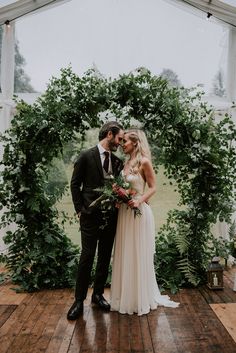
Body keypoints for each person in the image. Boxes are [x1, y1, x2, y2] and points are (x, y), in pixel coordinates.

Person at [110, 129, 179, 315]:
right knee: (126, 253)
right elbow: (125, 187)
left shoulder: (144, 162)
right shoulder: (125, 163)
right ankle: (125, 297)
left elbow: (153, 187)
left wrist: (139, 200)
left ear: (135, 142)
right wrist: (118, 195)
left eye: (125, 141)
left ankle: (139, 298)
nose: (122, 144)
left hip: (139, 212)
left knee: (138, 254)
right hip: (125, 213)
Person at [67, 121, 124, 320]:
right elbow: (75, 185)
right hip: (89, 216)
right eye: (119, 138)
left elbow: (118, 187)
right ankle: (78, 300)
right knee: (87, 256)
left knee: (104, 256)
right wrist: (79, 210)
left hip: (111, 217)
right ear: (109, 134)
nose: (121, 142)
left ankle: (98, 295)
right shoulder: (85, 156)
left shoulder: (117, 162)